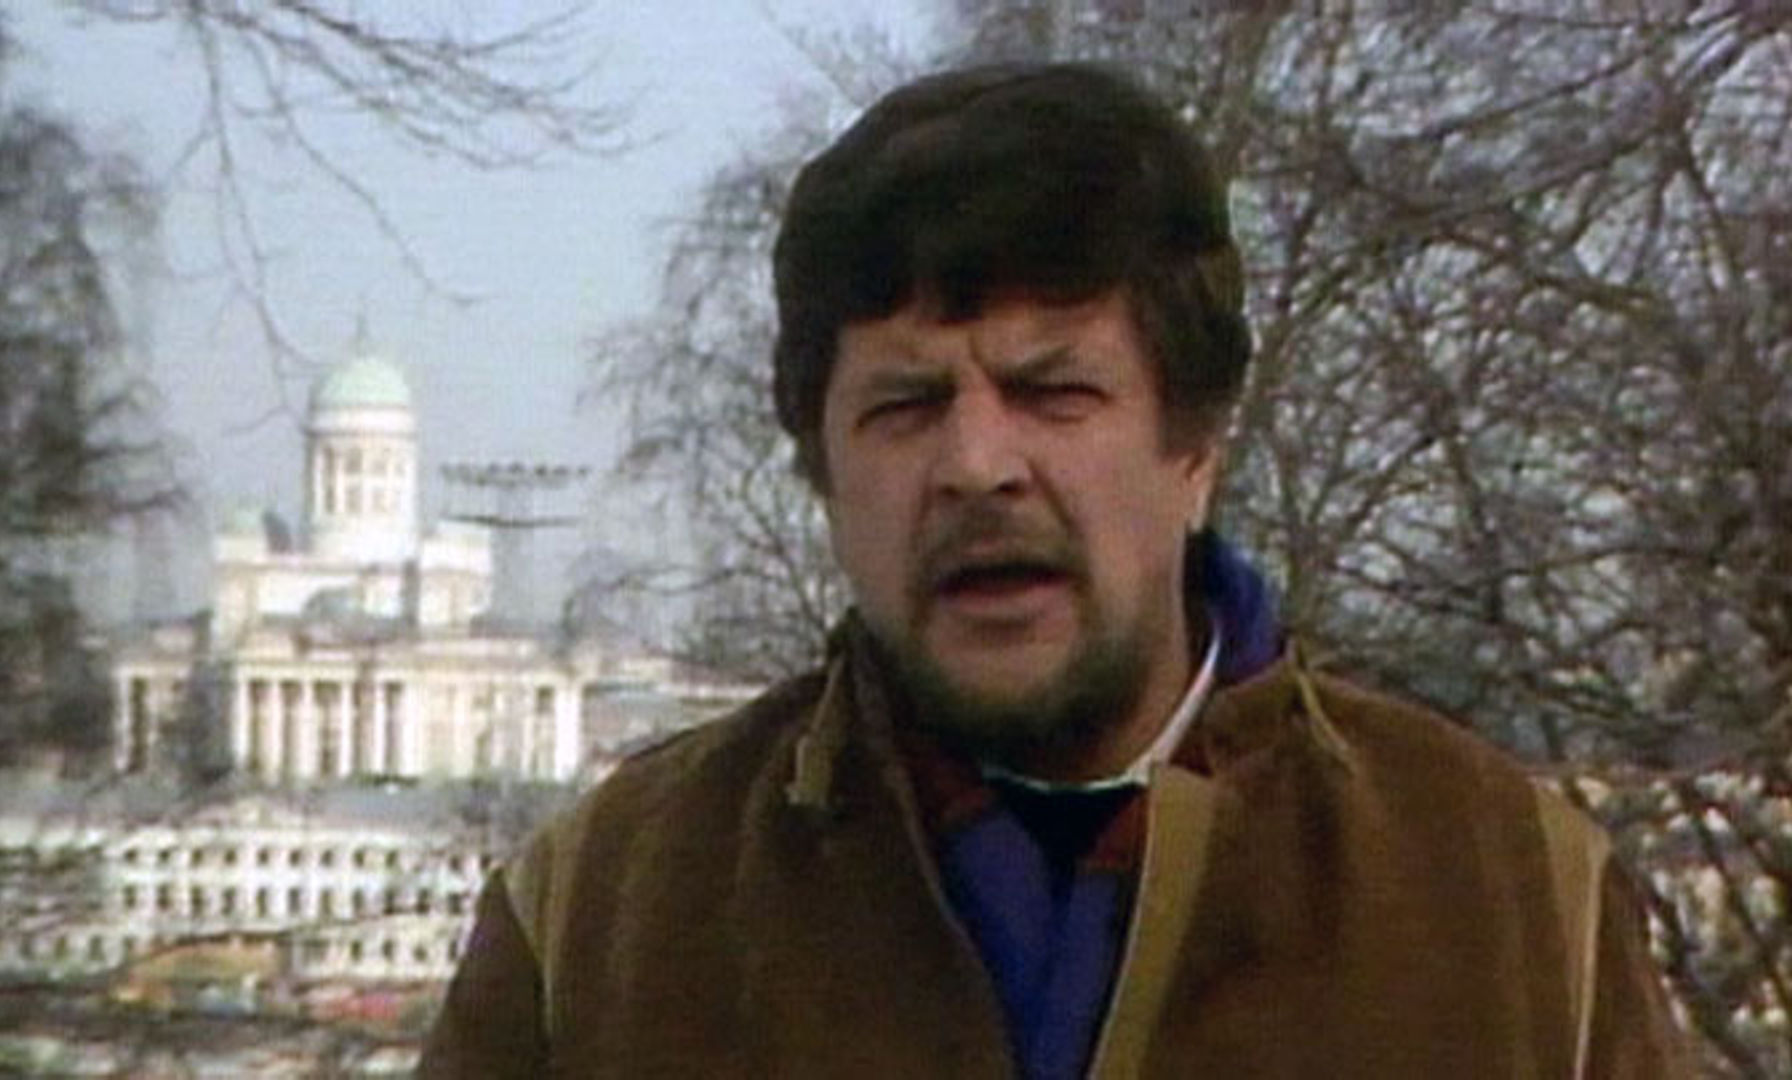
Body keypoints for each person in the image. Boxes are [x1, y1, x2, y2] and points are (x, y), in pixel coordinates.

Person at [419, 62, 1689, 1078]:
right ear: (824, 475)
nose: (977, 466)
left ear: (1194, 449)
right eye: (906, 405)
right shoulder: (605, 922)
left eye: (1053, 392)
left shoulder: (1511, 904)